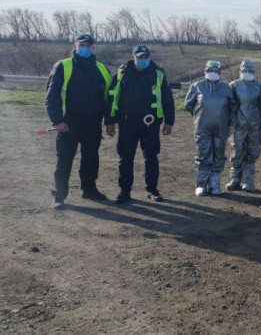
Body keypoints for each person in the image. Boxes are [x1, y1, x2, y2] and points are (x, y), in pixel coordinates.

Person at [45, 34, 112, 208]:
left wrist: (109, 121)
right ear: (75, 46)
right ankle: (59, 196)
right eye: (82, 44)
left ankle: (89, 190)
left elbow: (108, 98)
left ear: (93, 48)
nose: (85, 47)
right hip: (69, 123)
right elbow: (52, 96)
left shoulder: (101, 68)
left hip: (92, 122)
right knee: (65, 159)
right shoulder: (63, 66)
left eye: (88, 45)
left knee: (91, 158)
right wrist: (57, 121)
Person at [105, 44, 175, 204]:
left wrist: (169, 122)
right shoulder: (122, 74)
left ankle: (152, 189)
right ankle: (124, 191)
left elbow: (167, 100)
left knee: (151, 157)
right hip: (127, 122)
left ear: (149, 58)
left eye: (145, 57)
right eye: (139, 57)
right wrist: (109, 122)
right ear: (132, 57)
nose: (142, 60)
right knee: (125, 158)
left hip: (150, 123)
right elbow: (111, 97)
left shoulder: (158, 74)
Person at [184, 60, 234, 196]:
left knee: (219, 154)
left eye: (216, 71)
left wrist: (231, 124)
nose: (213, 73)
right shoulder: (197, 86)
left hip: (221, 128)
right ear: (205, 71)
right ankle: (201, 185)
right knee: (203, 154)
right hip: (202, 127)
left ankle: (214, 185)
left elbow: (233, 107)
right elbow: (188, 105)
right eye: (210, 70)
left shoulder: (226, 88)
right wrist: (199, 116)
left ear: (219, 72)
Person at [226, 59, 261, 192]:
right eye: (244, 70)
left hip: (254, 125)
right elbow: (230, 106)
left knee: (252, 152)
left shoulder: (258, 86)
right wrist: (230, 123)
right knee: (237, 151)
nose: (247, 73)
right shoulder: (233, 86)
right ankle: (235, 179)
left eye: (250, 71)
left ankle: (248, 181)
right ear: (240, 71)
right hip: (238, 125)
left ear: (253, 72)